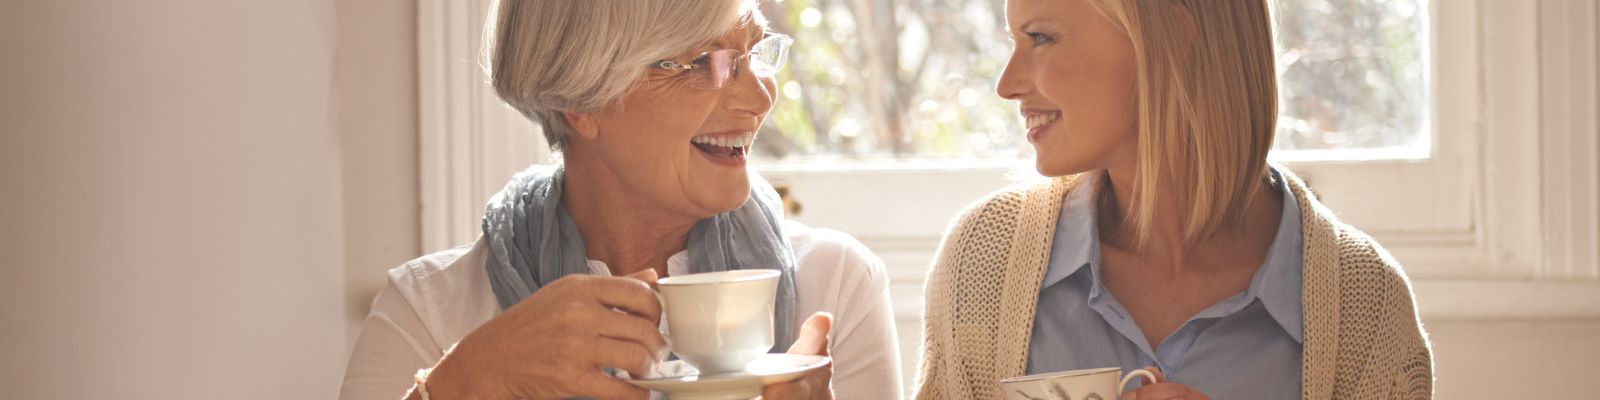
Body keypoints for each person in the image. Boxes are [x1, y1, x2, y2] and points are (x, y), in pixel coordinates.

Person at [340, 1, 902, 399]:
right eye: (703, 62)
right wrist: (466, 384)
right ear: (581, 99)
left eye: (754, 53)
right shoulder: (429, 310)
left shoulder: (835, 287)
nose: (759, 99)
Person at [913, 0, 1433, 399]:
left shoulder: (1367, 308)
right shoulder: (982, 262)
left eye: (1041, 38)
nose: (1006, 84)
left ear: (1168, 39)